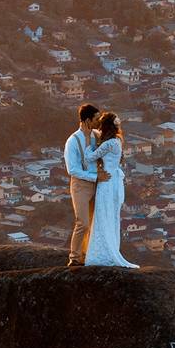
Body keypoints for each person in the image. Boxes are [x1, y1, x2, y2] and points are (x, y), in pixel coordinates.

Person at [81, 111, 138, 268]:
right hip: (114, 181)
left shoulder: (108, 143)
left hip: (106, 183)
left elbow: (89, 157)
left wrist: (87, 143)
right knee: (110, 216)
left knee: (102, 215)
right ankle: (109, 248)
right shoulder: (117, 141)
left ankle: (102, 252)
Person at [63, 103, 109, 266]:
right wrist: (95, 177)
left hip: (98, 183)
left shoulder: (97, 136)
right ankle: (74, 258)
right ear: (87, 120)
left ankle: (89, 255)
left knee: (95, 222)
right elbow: (72, 169)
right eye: (96, 119)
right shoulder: (73, 141)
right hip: (81, 185)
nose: (99, 121)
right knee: (82, 222)